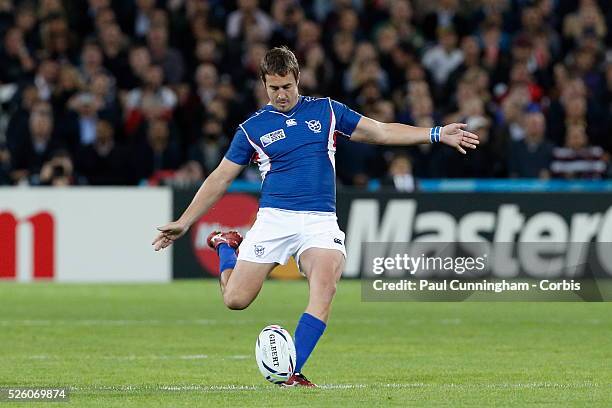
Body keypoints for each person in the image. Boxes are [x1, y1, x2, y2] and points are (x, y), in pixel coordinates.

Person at [152, 47, 479, 387]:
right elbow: (220, 178)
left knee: (325, 288)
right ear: (264, 84)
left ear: (298, 80)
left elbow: (380, 132)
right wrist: (185, 221)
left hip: (320, 221)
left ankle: (290, 375)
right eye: (274, 88)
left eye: (287, 87)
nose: (281, 94)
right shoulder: (252, 129)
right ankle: (225, 245)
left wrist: (437, 133)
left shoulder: (327, 111)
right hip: (275, 219)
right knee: (236, 300)